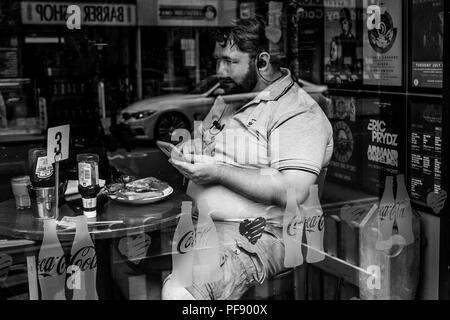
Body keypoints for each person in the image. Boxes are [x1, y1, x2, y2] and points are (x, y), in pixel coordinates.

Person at [162, 16, 334, 300]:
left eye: (230, 61)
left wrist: (218, 173)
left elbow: (293, 190)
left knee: (180, 290)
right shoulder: (230, 99)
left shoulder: (297, 112)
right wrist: (192, 149)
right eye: (219, 60)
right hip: (198, 223)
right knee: (124, 254)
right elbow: (207, 143)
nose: (220, 70)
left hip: (258, 235)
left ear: (262, 61)